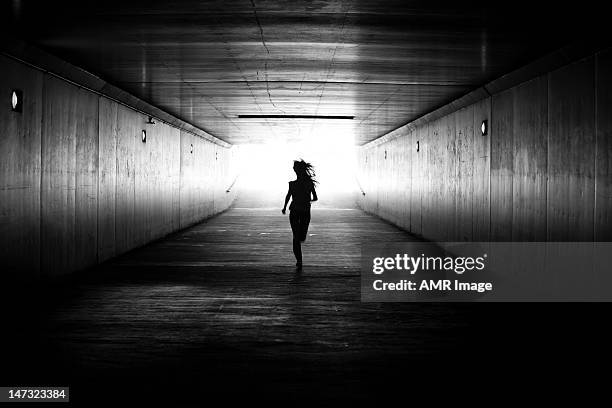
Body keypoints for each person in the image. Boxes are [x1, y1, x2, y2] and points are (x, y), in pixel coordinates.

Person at [282, 160, 318, 269]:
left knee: (299, 237)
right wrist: (307, 201)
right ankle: (299, 261)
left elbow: (288, 196)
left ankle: (299, 260)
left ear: (296, 170)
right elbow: (315, 198)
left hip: (297, 210)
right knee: (298, 237)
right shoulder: (307, 183)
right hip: (302, 211)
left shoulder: (293, 184)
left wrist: (285, 207)